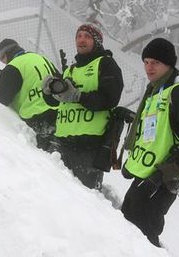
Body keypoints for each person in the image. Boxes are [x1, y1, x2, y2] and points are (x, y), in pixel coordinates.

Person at [120, 37, 179, 247]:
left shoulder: (177, 92)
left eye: (156, 63)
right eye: (146, 62)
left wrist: (174, 167)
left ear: (168, 65)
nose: (149, 67)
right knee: (130, 226)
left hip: (160, 180)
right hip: (147, 176)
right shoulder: (156, 91)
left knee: (142, 236)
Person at [41, 23, 124, 190]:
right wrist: (47, 92)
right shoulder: (70, 70)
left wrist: (78, 96)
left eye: (87, 36)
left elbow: (110, 99)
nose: (81, 40)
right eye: (78, 36)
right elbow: (58, 101)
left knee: (82, 200)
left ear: (97, 42)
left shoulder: (106, 64)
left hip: (88, 148)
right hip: (61, 141)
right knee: (48, 190)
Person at [0, 39, 59, 151]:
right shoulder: (40, 58)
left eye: (2, 58)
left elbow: (2, 96)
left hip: (37, 117)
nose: (4, 62)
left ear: (7, 54)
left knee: (47, 155)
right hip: (60, 113)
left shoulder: (15, 65)